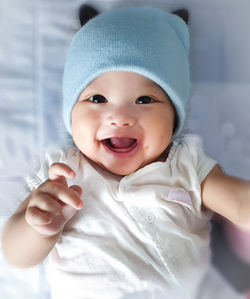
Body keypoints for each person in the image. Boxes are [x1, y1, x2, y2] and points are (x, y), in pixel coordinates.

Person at [1, 5, 250, 299]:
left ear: (174, 117)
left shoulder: (186, 166)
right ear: (71, 114)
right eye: (97, 98)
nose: (119, 117)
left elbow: (240, 203)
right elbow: (16, 256)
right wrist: (37, 225)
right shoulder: (62, 176)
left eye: (145, 99)